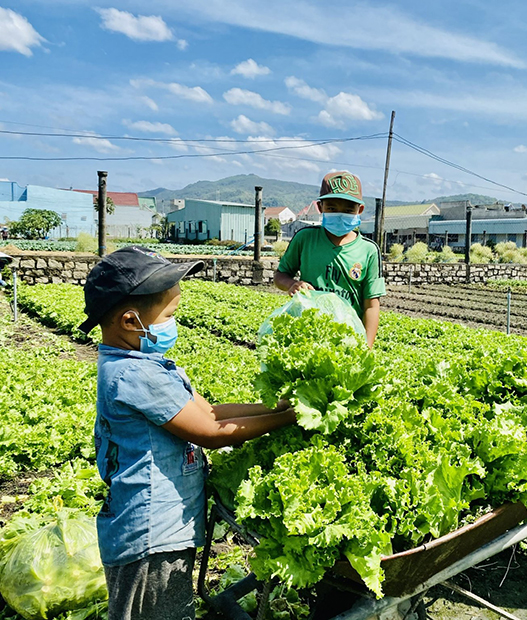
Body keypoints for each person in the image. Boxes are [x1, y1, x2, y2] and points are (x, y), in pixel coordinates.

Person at [79, 246, 296, 620]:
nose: (172, 323)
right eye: (169, 315)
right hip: (150, 536)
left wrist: (275, 407)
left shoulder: (148, 362)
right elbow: (212, 431)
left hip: (162, 528)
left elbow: (210, 412)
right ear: (131, 321)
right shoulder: (134, 374)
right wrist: (294, 418)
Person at [274, 171, 386, 346]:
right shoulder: (305, 238)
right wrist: (291, 284)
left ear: (360, 210)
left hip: (347, 339)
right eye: (332, 208)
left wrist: (367, 347)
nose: (340, 214)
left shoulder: (369, 250)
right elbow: (280, 275)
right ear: (320, 207)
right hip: (306, 333)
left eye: (348, 210)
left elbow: (371, 305)